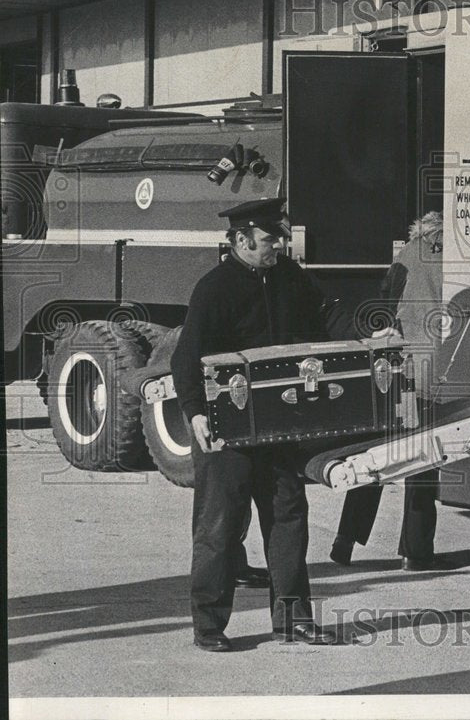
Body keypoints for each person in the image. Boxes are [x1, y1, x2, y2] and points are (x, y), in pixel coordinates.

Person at [171, 197, 339, 651]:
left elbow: (323, 327)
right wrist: (195, 413)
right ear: (242, 240)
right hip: (228, 430)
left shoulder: (289, 278)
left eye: (280, 237)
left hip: (280, 428)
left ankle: (293, 621)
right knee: (219, 527)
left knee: (288, 520)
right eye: (270, 239)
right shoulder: (214, 288)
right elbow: (185, 358)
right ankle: (209, 626)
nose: (279, 245)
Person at [329, 211, 448, 572]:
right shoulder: (451, 258)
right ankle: (416, 551)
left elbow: (385, 301)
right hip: (432, 365)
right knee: (422, 461)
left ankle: (345, 540)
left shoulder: (408, 253)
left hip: (398, 363)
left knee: (378, 455)